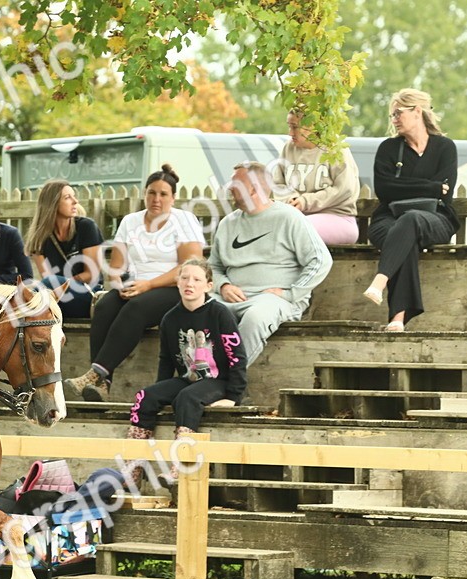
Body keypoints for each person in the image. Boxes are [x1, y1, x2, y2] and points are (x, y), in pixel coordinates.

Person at [64, 164, 205, 401]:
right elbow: (117, 267)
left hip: (175, 287)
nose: (156, 199)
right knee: (105, 306)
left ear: (173, 198)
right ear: (145, 193)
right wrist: (120, 285)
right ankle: (102, 385)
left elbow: (187, 267)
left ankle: (94, 374)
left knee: (136, 308)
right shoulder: (131, 221)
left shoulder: (184, 220)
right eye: (151, 192)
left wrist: (148, 285)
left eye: (163, 194)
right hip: (137, 286)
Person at [124, 258, 247, 485]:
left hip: (218, 381)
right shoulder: (170, 318)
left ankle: (180, 465)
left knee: (187, 398)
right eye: (184, 278)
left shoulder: (220, 314)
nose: (190, 283)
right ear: (178, 283)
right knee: (144, 397)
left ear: (208, 285)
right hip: (188, 379)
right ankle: (132, 471)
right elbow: (166, 360)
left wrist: (233, 396)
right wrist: (159, 392)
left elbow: (236, 356)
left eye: (197, 279)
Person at [209, 161, 332, 366]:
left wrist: (290, 294)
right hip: (230, 298)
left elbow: (321, 260)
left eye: (236, 184)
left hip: (273, 300)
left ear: (254, 189)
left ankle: (226, 382)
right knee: (195, 309)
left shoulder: (288, 217)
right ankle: (194, 375)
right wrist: (223, 285)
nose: (229, 188)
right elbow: (213, 266)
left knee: (255, 317)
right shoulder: (227, 223)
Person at [365, 88, 459, 332]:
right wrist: (431, 187)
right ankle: (397, 320)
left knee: (411, 220)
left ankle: (380, 281)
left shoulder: (445, 148)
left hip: (436, 219)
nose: (394, 119)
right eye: (392, 115)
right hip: (387, 218)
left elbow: (445, 193)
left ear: (417, 111)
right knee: (403, 234)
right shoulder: (388, 148)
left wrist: (408, 188)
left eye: (398, 113)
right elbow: (385, 189)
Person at [271, 110, 361, 246]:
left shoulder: (335, 148)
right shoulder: (288, 148)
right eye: (289, 126)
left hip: (338, 218)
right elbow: (278, 184)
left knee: (293, 231)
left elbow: (344, 189)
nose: (290, 133)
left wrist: (305, 201)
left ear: (312, 126)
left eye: (295, 127)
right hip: (296, 219)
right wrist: (291, 198)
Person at [24, 179, 104, 319]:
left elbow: (92, 274)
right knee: (35, 295)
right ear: (52, 204)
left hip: (89, 296)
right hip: (58, 298)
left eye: (74, 196)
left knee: (42, 290)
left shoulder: (86, 227)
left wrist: (61, 284)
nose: (75, 201)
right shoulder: (39, 239)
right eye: (68, 197)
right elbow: (48, 277)